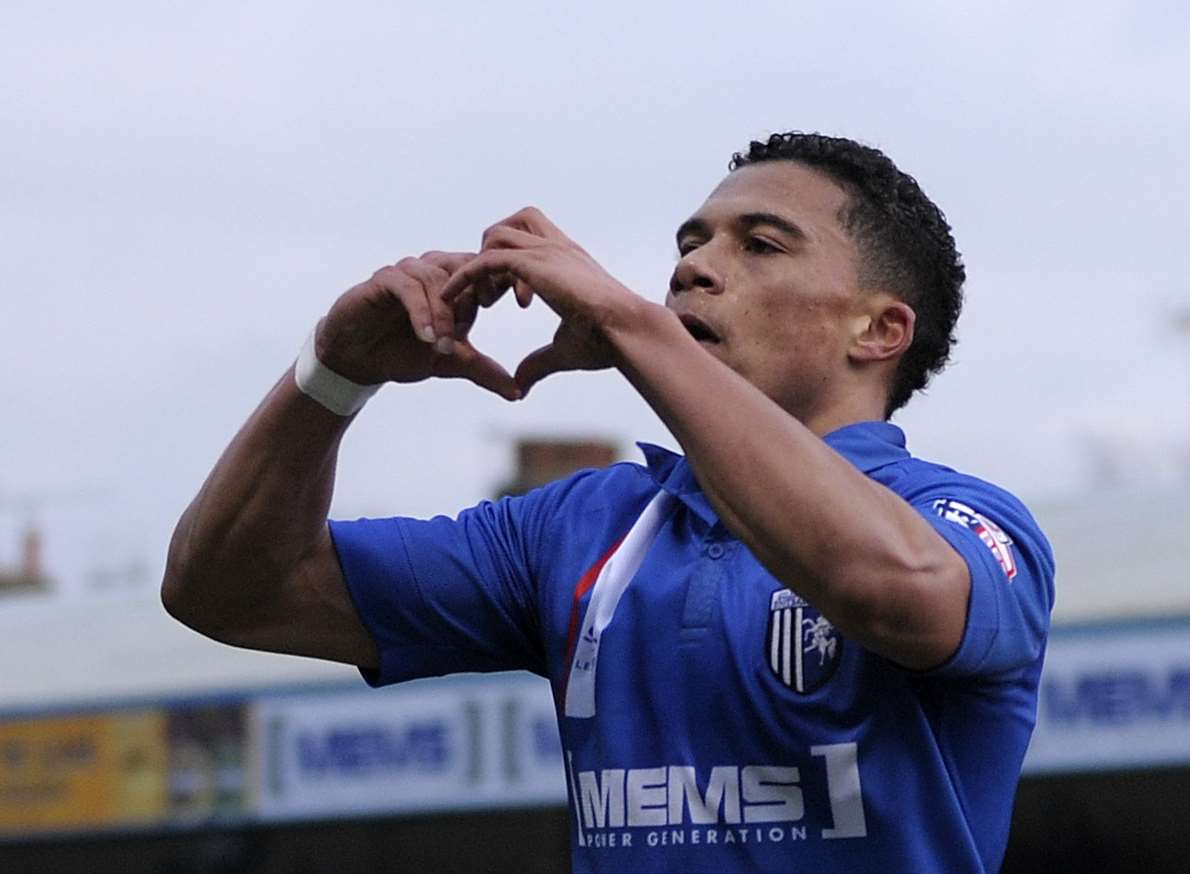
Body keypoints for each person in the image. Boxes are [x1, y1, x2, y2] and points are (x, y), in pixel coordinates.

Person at [162, 132, 1054, 873]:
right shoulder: (580, 527)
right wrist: (334, 373)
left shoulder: (965, 521)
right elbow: (226, 591)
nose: (696, 269)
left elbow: (888, 586)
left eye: (760, 244)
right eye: (688, 244)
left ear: (879, 329)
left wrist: (634, 330)